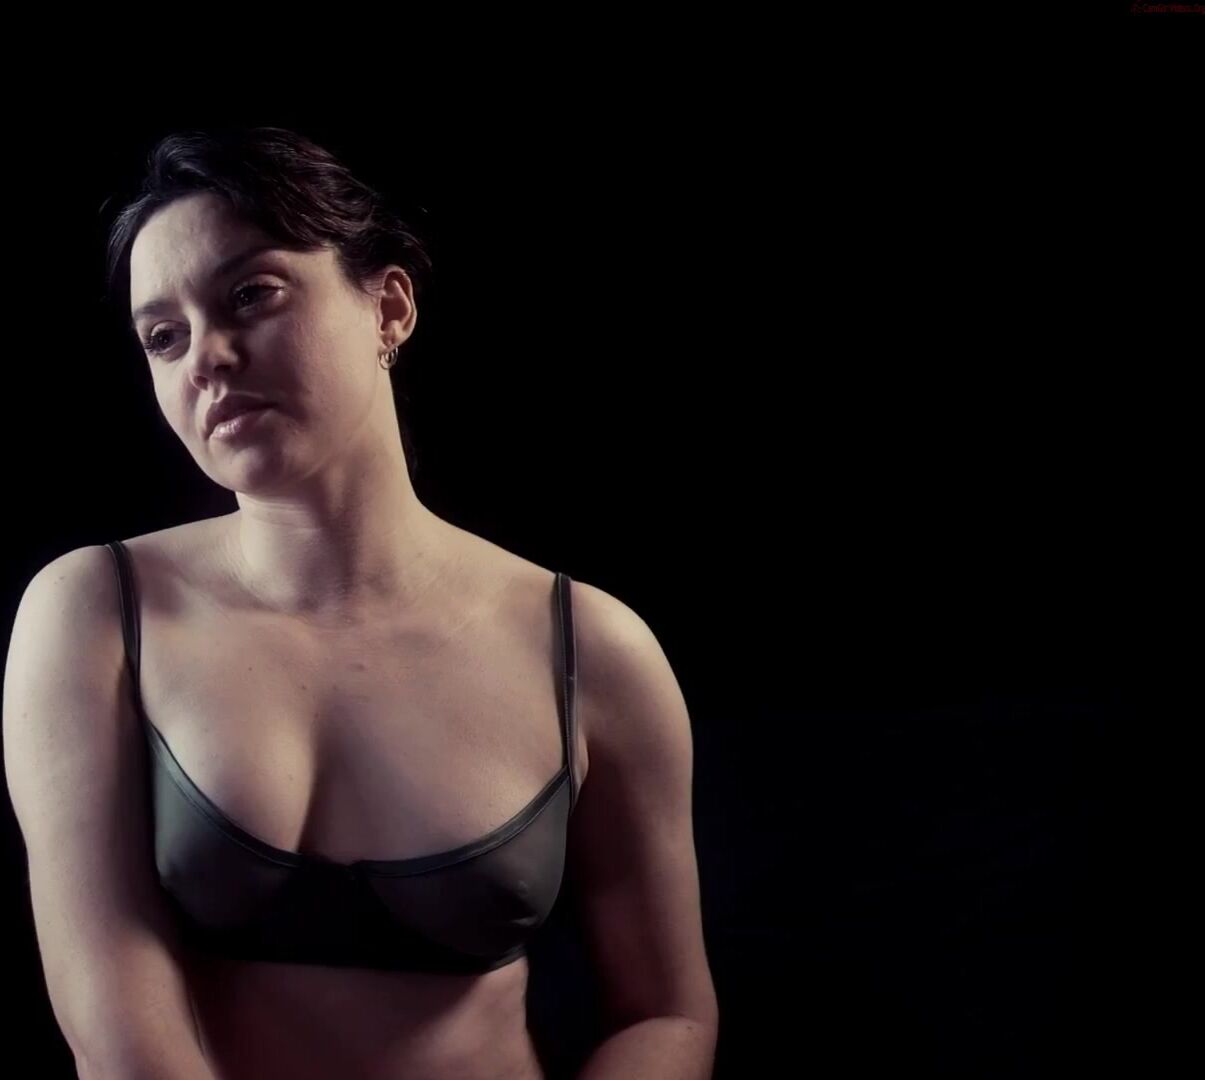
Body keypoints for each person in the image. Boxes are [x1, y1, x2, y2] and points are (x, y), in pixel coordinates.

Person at [1, 126, 718, 1079]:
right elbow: (119, 1037)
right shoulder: (98, 614)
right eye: (163, 337)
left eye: (250, 294)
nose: (206, 358)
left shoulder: (587, 646)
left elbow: (666, 1014)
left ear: (388, 307)